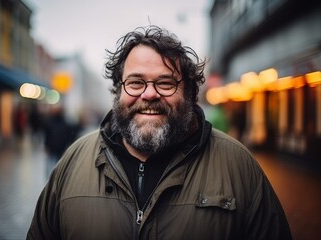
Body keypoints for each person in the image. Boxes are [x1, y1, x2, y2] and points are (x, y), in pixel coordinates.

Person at [27, 25, 292, 239]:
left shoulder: (238, 165)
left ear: (189, 93)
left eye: (165, 83)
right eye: (136, 82)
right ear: (118, 91)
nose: (149, 93)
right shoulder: (74, 160)